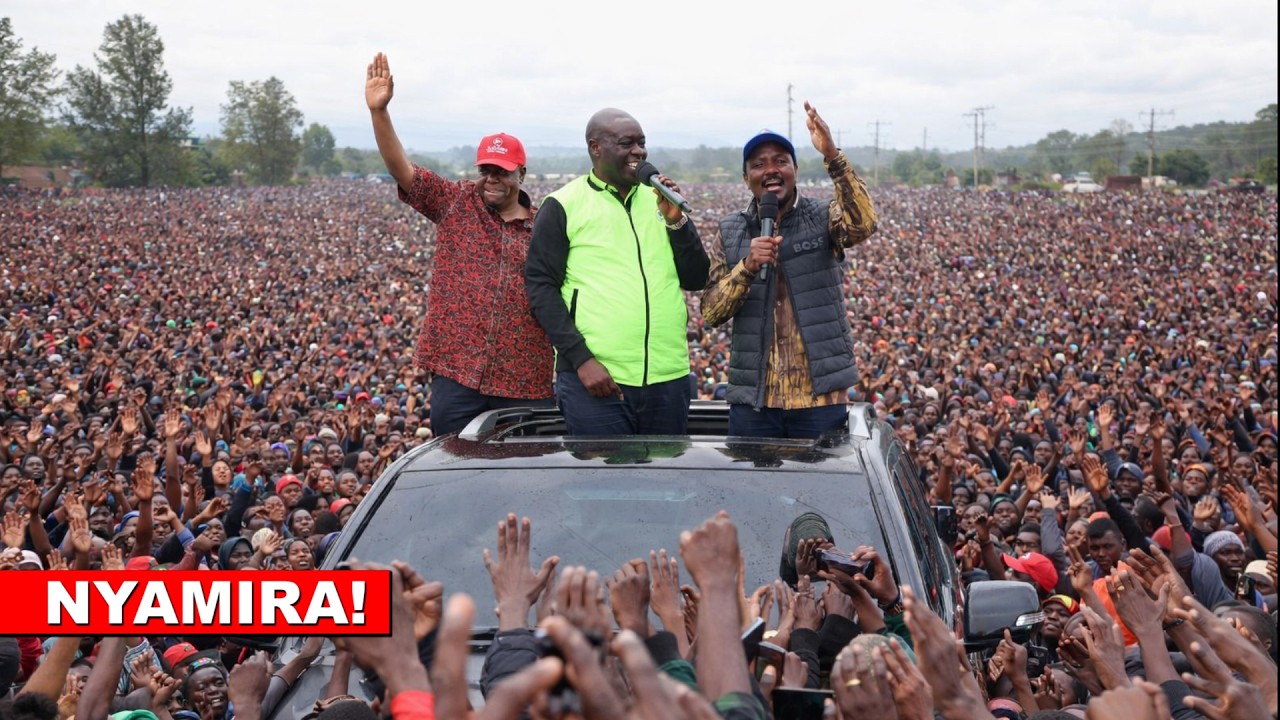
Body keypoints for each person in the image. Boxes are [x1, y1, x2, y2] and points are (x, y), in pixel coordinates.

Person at [365, 52, 553, 437]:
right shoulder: (456, 203)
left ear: (522, 173)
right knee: (454, 469)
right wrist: (379, 113)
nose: (492, 178)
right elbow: (401, 167)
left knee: (525, 476)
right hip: (457, 374)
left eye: (502, 171)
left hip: (524, 381)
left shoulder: (546, 227)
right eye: (485, 170)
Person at [524, 108, 709, 435]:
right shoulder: (563, 205)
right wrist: (581, 360)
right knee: (603, 484)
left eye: (642, 143)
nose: (638, 152)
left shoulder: (658, 199)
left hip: (668, 376)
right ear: (596, 147)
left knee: (667, 483)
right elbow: (540, 288)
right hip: (596, 380)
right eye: (627, 143)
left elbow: (696, 278)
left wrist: (676, 221)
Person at [701, 101, 877, 438]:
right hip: (754, 400)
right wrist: (747, 268)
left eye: (781, 162)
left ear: (795, 170)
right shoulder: (731, 230)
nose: (770, 170)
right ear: (745, 177)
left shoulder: (822, 217)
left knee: (819, 490)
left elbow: (863, 224)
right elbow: (711, 310)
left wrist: (833, 157)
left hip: (819, 398)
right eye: (759, 164)